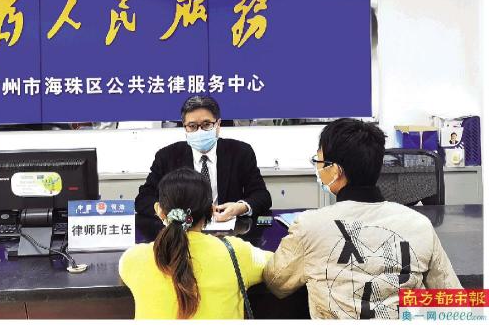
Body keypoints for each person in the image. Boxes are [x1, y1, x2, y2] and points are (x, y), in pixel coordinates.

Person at [264, 118, 461, 320]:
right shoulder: (419, 225)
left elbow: (276, 283)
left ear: (335, 171)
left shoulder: (309, 226)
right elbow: (453, 300)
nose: (318, 168)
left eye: (319, 162)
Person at [119, 167, 272, 319]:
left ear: (159, 210)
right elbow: (276, 264)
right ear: (211, 211)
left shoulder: (133, 258)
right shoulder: (238, 252)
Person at [135, 95, 272, 221]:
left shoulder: (240, 152)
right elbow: (143, 199)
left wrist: (240, 208)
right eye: (192, 126)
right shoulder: (167, 156)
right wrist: (173, 214)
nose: (199, 131)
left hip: (228, 230)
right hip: (183, 233)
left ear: (218, 125)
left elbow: (262, 195)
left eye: (206, 124)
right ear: (185, 128)